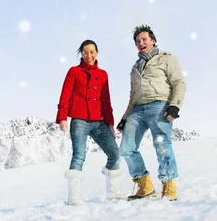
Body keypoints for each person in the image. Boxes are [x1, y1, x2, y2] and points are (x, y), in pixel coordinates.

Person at [117, 25, 186, 201]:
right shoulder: (135, 68)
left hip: (159, 105)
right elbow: (133, 96)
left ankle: (169, 186)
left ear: (152, 40)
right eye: (138, 41)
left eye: (144, 39)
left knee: (162, 144)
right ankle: (145, 186)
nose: (141, 43)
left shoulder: (166, 59)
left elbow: (178, 82)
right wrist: (125, 118)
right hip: (138, 109)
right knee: (126, 148)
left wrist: (174, 105)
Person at [56, 40, 121, 205]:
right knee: (79, 156)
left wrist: (110, 124)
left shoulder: (103, 74)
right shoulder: (74, 72)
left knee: (114, 153)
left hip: (99, 121)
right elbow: (65, 94)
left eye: (92, 52)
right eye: (85, 52)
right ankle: (74, 198)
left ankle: (113, 193)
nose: (89, 55)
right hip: (79, 120)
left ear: (97, 53)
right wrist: (63, 116)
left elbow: (106, 100)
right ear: (81, 54)